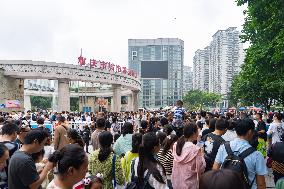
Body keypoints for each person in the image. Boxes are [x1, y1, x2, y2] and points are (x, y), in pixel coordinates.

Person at [213, 118, 267, 189]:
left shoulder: (223, 147)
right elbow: (261, 184)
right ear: (250, 132)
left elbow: (215, 169)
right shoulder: (257, 155)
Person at [171, 123, 205, 189]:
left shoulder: (176, 145)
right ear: (193, 133)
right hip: (190, 184)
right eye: (197, 131)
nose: (198, 132)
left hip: (177, 181)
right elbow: (201, 168)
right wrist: (202, 154)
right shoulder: (195, 150)